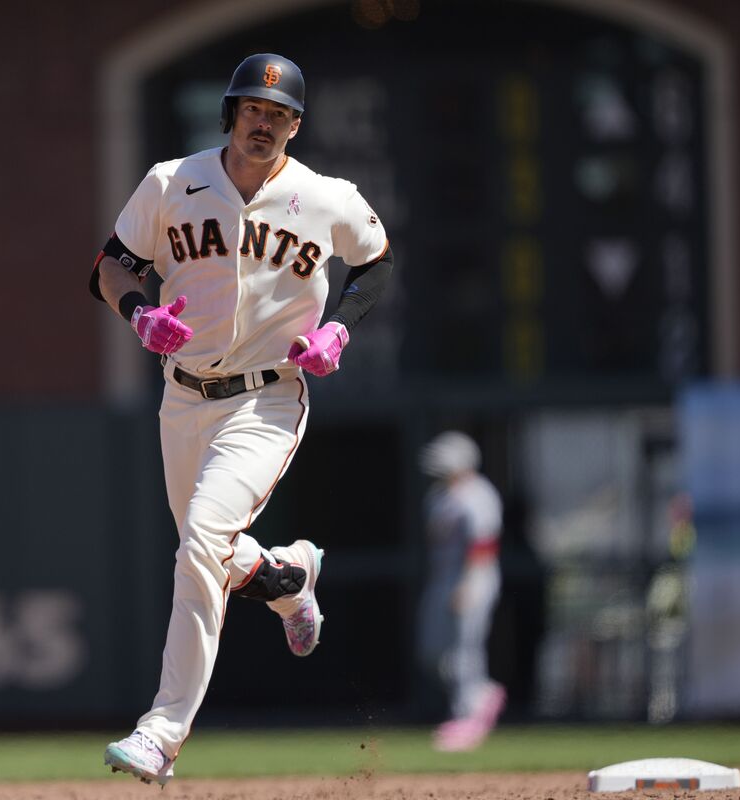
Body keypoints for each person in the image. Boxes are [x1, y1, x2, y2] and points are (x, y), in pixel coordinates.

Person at [89, 53, 393, 785]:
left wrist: (339, 329)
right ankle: (287, 575)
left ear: (295, 126)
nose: (266, 124)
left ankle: (161, 733)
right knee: (216, 554)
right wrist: (139, 314)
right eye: (254, 110)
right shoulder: (172, 181)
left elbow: (377, 262)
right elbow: (109, 265)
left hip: (267, 398)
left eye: (281, 115)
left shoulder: (327, 198)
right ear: (231, 113)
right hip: (183, 395)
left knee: (199, 540)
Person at [416, 431, 506, 752]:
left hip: (474, 577)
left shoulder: (479, 494)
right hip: (443, 578)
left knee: (466, 650)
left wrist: (468, 584)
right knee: (432, 652)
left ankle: (468, 714)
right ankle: (479, 695)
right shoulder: (438, 497)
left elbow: (483, 545)